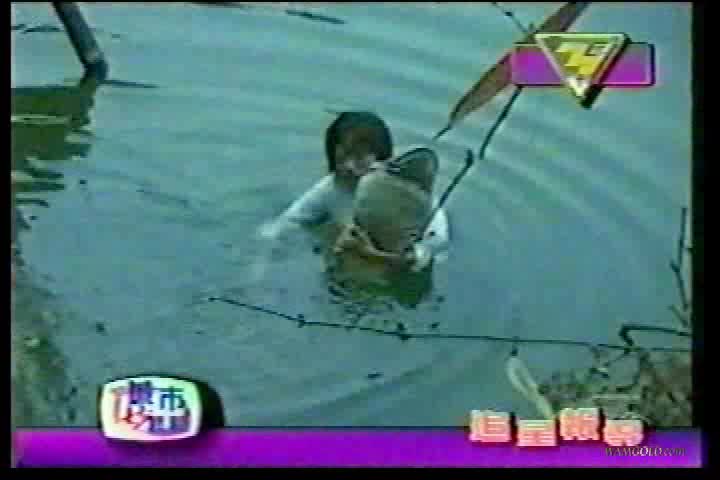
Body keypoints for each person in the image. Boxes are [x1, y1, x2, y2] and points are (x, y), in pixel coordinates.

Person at [259, 111, 449, 272]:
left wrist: (372, 255)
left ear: (381, 157)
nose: (349, 167)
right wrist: (261, 261)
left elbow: (432, 250)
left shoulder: (415, 198)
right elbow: (288, 222)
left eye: (359, 158)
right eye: (342, 158)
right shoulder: (333, 187)